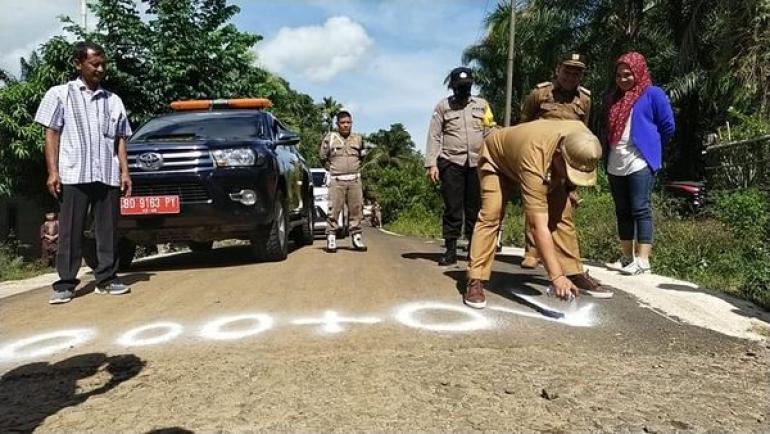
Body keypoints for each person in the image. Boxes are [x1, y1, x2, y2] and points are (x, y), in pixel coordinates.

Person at [464, 119, 614, 309]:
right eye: (570, 172)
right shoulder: (534, 160)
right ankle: (475, 278)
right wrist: (556, 276)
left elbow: (572, 168)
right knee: (491, 215)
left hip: (541, 159)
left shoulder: (584, 139)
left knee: (563, 212)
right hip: (496, 160)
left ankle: (573, 272)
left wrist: (569, 187)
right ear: (559, 154)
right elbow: (537, 225)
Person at [34, 41, 133, 305]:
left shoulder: (113, 100)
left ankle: (107, 278)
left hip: (107, 173)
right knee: (70, 230)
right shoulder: (59, 94)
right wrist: (52, 172)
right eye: (94, 64)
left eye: (103, 64)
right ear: (79, 64)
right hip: (74, 173)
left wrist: (125, 172)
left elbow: (121, 138)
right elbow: (52, 133)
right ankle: (66, 283)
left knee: (107, 230)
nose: (100, 69)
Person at [603, 51, 675, 275]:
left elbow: (668, 126)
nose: (623, 79)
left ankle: (643, 260)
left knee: (640, 208)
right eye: (619, 75)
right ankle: (627, 258)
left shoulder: (653, 94)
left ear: (639, 71)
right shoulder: (613, 97)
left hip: (640, 161)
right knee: (622, 210)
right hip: (616, 159)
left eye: (628, 74)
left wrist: (651, 147)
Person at [518, 53, 592, 270]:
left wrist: (574, 182)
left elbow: (583, 133)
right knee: (536, 202)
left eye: (576, 73)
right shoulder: (540, 94)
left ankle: (558, 254)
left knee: (563, 207)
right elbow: (523, 124)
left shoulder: (585, 99)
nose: (571, 76)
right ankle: (532, 250)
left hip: (566, 160)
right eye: (567, 71)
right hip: (540, 157)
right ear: (558, 70)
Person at [425, 66, 496, 266]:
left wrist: (494, 160)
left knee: (475, 208)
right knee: (453, 207)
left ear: (471, 85)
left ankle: (474, 249)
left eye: (466, 86)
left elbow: (490, 131)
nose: (463, 90)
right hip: (451, 162)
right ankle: (450, 249)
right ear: (452, 87)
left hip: (477, 162)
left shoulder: (482, 105)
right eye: (459, 86)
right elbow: (434, 135)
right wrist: (432, 164)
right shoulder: (443, 107)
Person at [319, 110, 367, 253]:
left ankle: (356, 237)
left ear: (352, 123)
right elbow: (323, 157)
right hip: (337, 180)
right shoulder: (330, 138)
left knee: (356, 209)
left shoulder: (358, 139)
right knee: (334, 210)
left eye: (348, 122)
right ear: (337, 124)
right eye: (342, 123)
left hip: (354, 180)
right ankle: (331, 237)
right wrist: (333, 170)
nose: (346, 125)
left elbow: (363, 156)